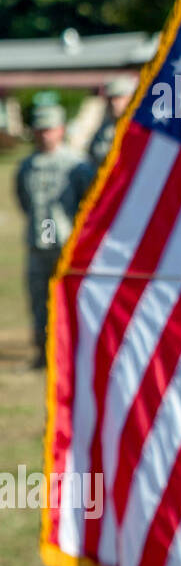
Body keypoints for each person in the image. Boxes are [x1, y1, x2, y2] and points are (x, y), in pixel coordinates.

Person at [15, 102, 96, 369]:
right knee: (40, 300)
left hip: (67, 245)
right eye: (40, 130)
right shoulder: (27, 166)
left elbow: (88, 202)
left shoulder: (77, 165)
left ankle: (74, 355)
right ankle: (44, 352)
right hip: (39, 244)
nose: (45, 135)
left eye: (50, 129)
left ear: (61, 130)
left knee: (72, 301)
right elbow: (24, 200)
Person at [88, 76, 135, 167]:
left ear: (131, 98)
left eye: (119, 98)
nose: (113, 103)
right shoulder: (104, 128)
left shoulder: (140, 128)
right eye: (110, 98)